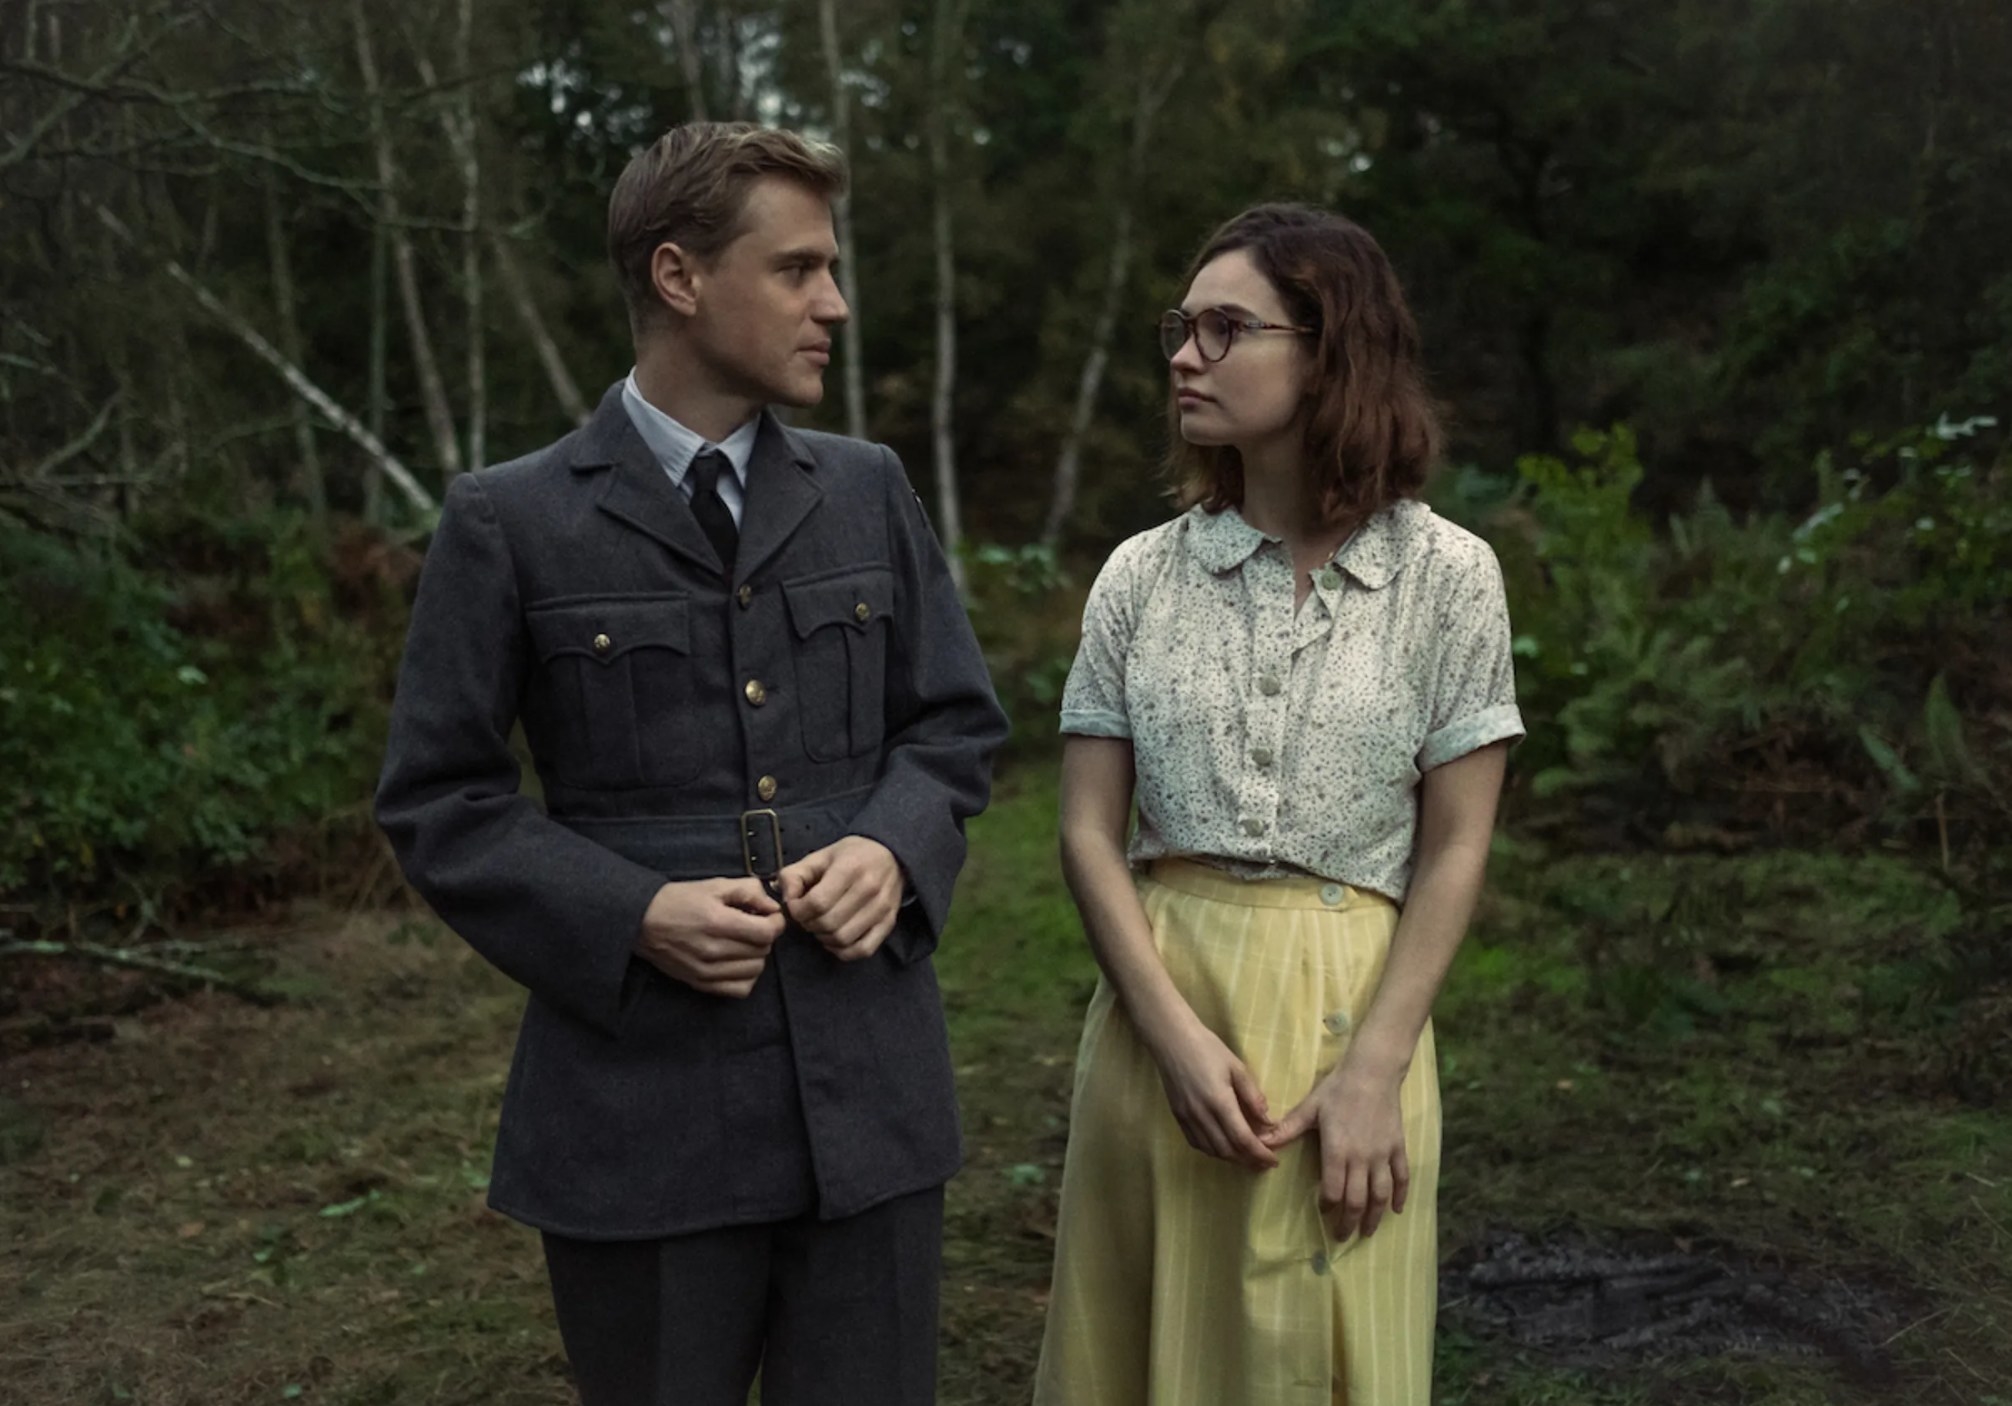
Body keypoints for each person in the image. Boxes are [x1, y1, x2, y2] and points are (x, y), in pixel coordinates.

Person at [374, 122, 1008, 1406]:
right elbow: (438, 798)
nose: (831, 303)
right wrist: (632, 913)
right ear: (677, 277)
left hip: (866, 1097)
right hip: (637, 1118)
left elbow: (951, 725)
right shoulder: (512, 518)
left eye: (828, 270)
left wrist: (893, 843)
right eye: (797, 270)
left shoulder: (865, 488)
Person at [1031, 203, 1524, 1405]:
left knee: (1322, 1354)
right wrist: (1171, 1038)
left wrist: (1374, 1069)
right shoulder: (1140, 574)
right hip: (1160, 1009)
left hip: (1352, 1022)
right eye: (1177, 329)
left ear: (1327, 347)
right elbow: (1088, 831)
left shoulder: (1444, 576)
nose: (1184, 356)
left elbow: (1457, 843)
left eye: (1223, 327)